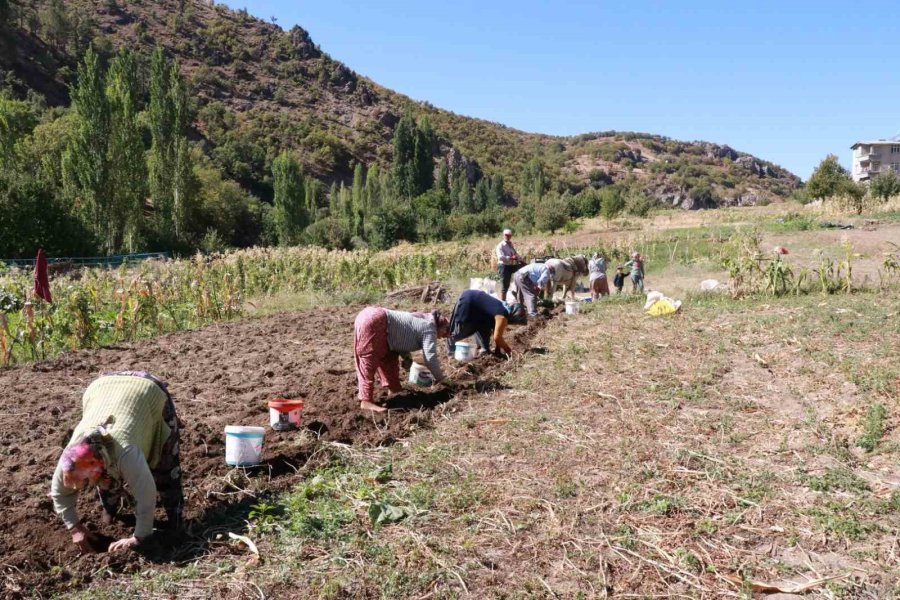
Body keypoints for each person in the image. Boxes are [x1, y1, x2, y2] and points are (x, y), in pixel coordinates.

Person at [50, 371, 184, 554]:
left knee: (165, 467)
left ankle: (176, 521)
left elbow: (146, 493)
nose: (80, 487)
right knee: (104, 479)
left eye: (83, 482)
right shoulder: (71, 458)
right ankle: (110, 513)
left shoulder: (126, 454)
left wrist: (139, 536)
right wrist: (75, 528)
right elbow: (59, 493)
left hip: (146, 390)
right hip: (100, 388)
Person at [354, 307, 452, 412]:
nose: (442, 337)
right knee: (369, 361)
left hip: (379, 323)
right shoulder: (430, 328)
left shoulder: (425, 319)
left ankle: (394, 389)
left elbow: (402, 338)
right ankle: (366, 401)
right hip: (376, 322)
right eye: (445, 333)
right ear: (441, 327)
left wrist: (407, 358)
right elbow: (430, 358)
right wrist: (442, 379)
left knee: (389, 358)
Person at [447, 289, 527, 356]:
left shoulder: (502, 310)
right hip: (469, 301)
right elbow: (497, 338)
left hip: (478, 310)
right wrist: (508, 351)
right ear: (513, 316)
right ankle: (451, 352)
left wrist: (497, 351)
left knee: (484, 325)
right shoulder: (502, 316)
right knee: (461, 330)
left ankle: (484, 349)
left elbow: (497, 334)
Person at [495, 228, 522, 301]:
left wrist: (520, 259)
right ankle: (503, 302)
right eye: (506, 235)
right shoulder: (500, 245)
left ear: (511, 236)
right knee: (505, 285)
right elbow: (500, 257)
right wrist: (510, 258)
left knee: (522, 271)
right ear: (503, 235)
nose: (507, 236)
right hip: (504, 266)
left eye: (509, 235)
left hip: (511, 265)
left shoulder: (510, 244)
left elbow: (515, 254)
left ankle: (517, 291)